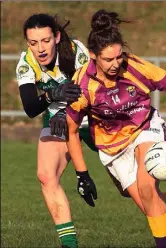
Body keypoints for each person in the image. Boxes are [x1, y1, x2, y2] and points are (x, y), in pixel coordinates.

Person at [65, 9, 166, 248]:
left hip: (145, 128)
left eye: (119, 56)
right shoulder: (82, 85)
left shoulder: (135, 67)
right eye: (108, 59)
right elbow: (71, 131)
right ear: (93, 56)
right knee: (151, 206)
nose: (115, 64)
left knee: (147, 190)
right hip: (112, 146)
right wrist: (82, 175)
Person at [16, 13, 95, 248]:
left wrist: (65, 110)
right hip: (58, 121)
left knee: (127, 188)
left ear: (57, 37)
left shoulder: (75, 50)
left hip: (94, 118)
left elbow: (92, 93)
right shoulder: (27, 63)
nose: (40, 48)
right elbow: (31, 108)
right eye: (33, 43)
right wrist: (52, 96)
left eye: (46, 40)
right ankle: (69, 245)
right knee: (46, 175)